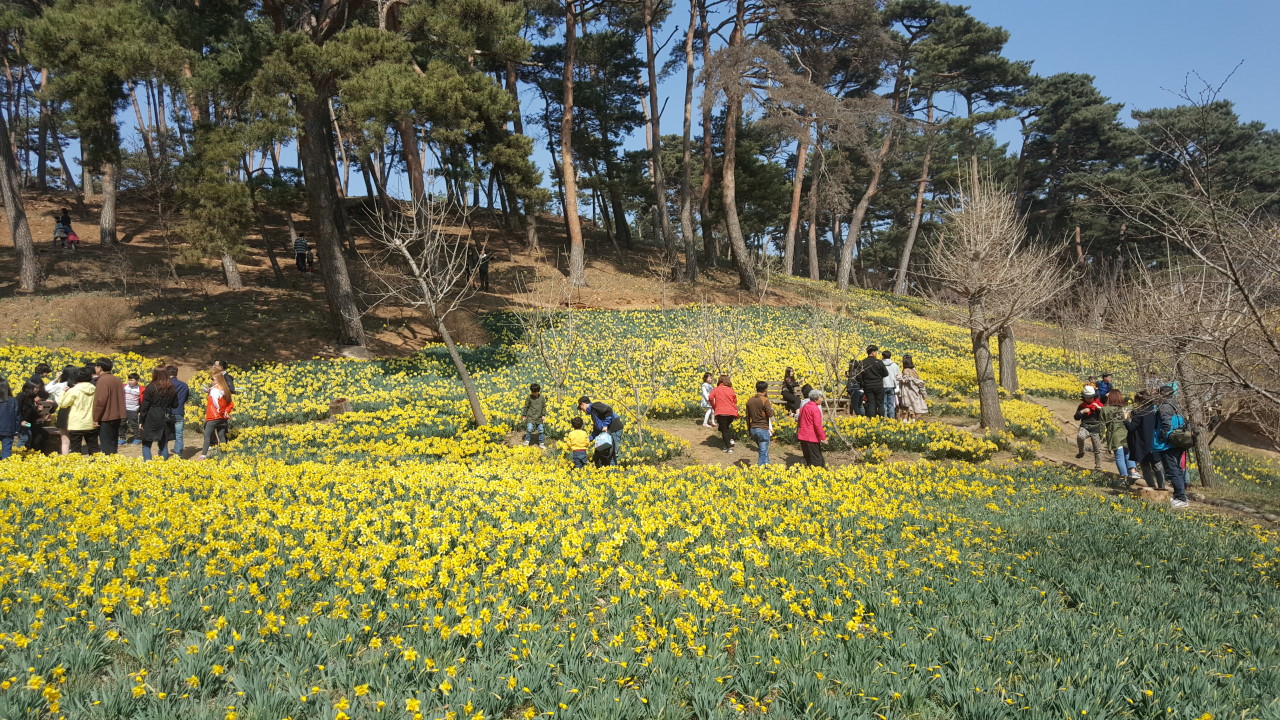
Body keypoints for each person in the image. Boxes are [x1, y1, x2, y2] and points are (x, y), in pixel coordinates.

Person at [1153, 384, 1190, 509]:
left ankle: (1181, 498)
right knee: (1177, 469)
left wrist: (1161, 437)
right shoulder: (1176, 405)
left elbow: (1166, 425)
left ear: (1162, 394)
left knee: (1172, 469)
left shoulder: (1165, 407)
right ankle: (1180, 495)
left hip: (1168, 443)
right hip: (1178, 441)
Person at [1125, 390, 1164, 490]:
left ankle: (1152, 488)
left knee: (1146, 467)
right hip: (1155, 441)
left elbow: (1131, 427)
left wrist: (1125, 419)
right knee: (1157, 466)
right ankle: (1162, 487)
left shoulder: (1138, 411)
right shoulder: (1155, 410)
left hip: (1142, 443)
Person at [138, 369, 178, 461]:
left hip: (152, 416)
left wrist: (141, 421)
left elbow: (144, 406)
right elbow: (175, 405)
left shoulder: (151, 387)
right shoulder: (171, 388)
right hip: (166, 416)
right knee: (163, 442)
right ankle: (163, 464)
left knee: (147, 442)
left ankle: (148, 464)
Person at [1100, 390, 1137, 480]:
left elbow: (1101, 424)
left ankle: (1124, 477)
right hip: (1126, 434)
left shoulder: (1105, 409)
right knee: (1128, 454)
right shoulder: (1126, 408)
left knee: (1119, 457)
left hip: (1114, 434)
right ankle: (1133, 472)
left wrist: (1102, 436)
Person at [92, 358, 126, 454]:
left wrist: (95, 418)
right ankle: (114, 461)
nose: (95, 368)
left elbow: (100, 401)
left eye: (96, 366)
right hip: (117, 415)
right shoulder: (116, 379)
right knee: (113, 442)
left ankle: (108, 464)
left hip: (105, 417)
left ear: (100, 368)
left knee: (106, 445)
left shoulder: (102, 380)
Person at [198, 372, 234, 460]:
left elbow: (215, 401)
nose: (211, 380)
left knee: (207, 435)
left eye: (212, 379)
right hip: (223, 417)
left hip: (214, 416)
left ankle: (203, 455)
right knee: (221, 434)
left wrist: (219, 410)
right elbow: (230, 403)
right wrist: (225, 412)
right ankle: (224, 453)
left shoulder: (215, 390)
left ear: (218, 380)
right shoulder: (225, 389)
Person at [578, 396, 624, 466]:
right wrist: (589, 439)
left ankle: (613, 471)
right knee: (602, 453)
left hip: (614, 429)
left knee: (611, 453)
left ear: (583, 404)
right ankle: (605, 471)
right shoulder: (593, 414)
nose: (582, 410)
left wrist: (605, 425)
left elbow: (609, 410)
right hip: (608, 432)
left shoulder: (595, 406)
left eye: (581, 408)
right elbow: (597, 429)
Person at [63, 368, 99, 455]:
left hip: (76, 423)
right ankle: (96, 466)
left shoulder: (73, 390)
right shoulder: (95, 389)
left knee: (75, 449)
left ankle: (76, 467)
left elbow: (63, 404)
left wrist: (63, 393)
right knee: (94, 448)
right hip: (91, 422)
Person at [46, 365, 76, 455]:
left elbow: (46, 389)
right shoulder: (78, 385)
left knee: (65, 438)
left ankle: (65, 456)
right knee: (75, 436)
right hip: (76, 411)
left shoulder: (60, 385)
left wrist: (56, 379)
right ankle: (75, 454)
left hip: (64, 412)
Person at [745, 380, 775, 466]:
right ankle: (760, 470)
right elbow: (770, 414)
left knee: (763, 449)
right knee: (763, 451)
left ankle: (767, 466)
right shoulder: (764, 400)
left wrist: (749, 429)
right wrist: (773, 411)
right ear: (765, 390)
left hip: (753, 429)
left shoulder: (749, 401)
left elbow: (747, 417)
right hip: (762, 429)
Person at [1073, 387, 1104, 471]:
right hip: (1085, 426)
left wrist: (1099, 409)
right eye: (1087, 397)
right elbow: (1076, 417)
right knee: (1080, 436)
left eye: (1091, 397)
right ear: (1084, 397)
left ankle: (1098, 466)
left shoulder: (1099, 405)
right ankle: (1081, 451)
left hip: (1096, 427)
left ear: (1094, 396)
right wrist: (1082, 412)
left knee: (1097, 448)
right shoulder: (1082, 406)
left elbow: (1105, 416)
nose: (1089, 399)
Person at [707, 375, 740, 453]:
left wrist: (714, 405)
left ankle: (729, 448)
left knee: (724, 429)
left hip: (721, 412)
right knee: (725, 427)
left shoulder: (716, 389)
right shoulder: (730, 390)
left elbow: (710, 398)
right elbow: (735, 401)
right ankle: (731, 439)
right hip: (731, 412)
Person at [796, 388, 827, 468]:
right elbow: (818, 425)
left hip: (803, 436)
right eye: (821, 398)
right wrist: (823, 438)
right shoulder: (815, 409)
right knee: (816, 458)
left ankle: (801, 473)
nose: (822, 400)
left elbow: (799, 419)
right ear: (816, 398)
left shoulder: (804, 406)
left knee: (807, 457)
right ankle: (817, 475)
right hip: (812, 437)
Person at [16, 381, 49, 453]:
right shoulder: (22, 395)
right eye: (35, 388)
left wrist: (38, 410)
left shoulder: (31, 397)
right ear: (30, 387)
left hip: (28, 422)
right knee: (25, 437)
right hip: (20, 422)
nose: (37, 389)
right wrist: (20, 421)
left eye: (38, 388)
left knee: (31, 436)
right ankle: (16, 453)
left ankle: (25, 453)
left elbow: (31, 412)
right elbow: (16, 409)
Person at [857, 346, 888, 418]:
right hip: (878, 385)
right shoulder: (879, 362)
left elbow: (858, 376)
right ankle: (881, 418)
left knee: (871, 403)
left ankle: (872, 420)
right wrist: (879, 377)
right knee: (880, 403)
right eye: (876, 352)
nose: (877, 353)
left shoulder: (862, 363)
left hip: (868, 386)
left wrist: (863, 383)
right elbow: (886, 373)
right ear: (873, 352)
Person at [896, 354, 928, 422]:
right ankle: (913, 423)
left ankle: (905, 424)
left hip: (907, 393)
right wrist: (923, 393)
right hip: (915, 392)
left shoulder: (905, 371)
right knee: (912, 409)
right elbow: (919, 381)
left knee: (905, 409)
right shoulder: (914, 371)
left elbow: (904, 380)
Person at [168, 366, 189, 458]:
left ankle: (163, 453)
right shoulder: (184, 385)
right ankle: (178, 453)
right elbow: (186, 398)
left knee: (165, 433)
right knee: (179, 434)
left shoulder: (166, 384)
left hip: (168, 412)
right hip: (179, 411)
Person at [521, 383, 547, 448]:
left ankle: (541, 443)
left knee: (541, 430)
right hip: (531, 416)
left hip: (539, 416)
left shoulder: (542, 398)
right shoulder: (529, 397)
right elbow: (526, 407)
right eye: (533, 392)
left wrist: (543, 415)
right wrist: (524, 415)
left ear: (538, 391)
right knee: (529, 428)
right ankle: (527, 441)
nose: (534, 393)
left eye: (535, 392)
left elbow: (544, 407)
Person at [122, 372, 145, 445]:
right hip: (124, 408)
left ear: (137, 380)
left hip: (133, 409)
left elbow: (142, 399)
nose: (130, 381)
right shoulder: (124, 386)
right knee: (122, 424)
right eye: (129, 380)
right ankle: (122, 438)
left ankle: (137, 438)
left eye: (132, 380)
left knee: (134, 424)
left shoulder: (140, 389)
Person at [881, 350, 901, 419]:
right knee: (891, 404)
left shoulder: (880, 364)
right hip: (892, 386)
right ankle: (892, 418)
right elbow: (898, 376)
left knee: (884, 403)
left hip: (883, 385)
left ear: (883, 356)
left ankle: (885, 418)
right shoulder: (895, 365)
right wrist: (896, 384)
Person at [0, 381, 18, 459]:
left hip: (7, 429)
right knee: (6, 452)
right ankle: (5, 469)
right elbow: (17, 417)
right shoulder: (13, 401)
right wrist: (17, 430)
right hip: (8, 429)